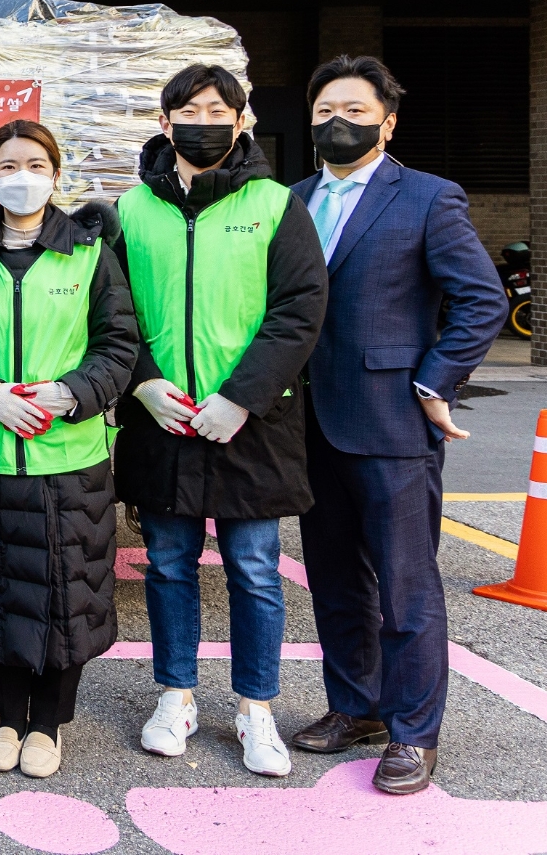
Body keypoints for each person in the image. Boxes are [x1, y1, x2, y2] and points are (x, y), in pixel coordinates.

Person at [290, 56, 505, 795]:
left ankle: (415, 731)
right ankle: (358, 707)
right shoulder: (291, 200)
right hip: (307, 422)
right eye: (323, 111)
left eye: (352, 108)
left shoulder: (427, 197)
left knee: (406, 584)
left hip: (392, 420)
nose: (336, 121)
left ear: (387, 120)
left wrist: (435, 379)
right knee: (335, 577)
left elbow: (480, 299)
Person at [112, 64, 328, 778]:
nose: (203, 120)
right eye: (188, 109)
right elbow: (110, 313)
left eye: (218, 109)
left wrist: (242, 396)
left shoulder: (274, 204)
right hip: (163, 418)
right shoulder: (131, 209)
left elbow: (299, 308)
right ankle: (176, 696)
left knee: (256, 569)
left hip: (250, 420)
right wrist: (142, 383)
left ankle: (255, 708)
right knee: (169, 564)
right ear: (164, 121)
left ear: (241, 123)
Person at [0, 120, 139, 780]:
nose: (20, 173)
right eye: (7, 164)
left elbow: (120, 345)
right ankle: (5, 716)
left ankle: (48, 724)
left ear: (55, 174)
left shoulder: (88, 253)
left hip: (70, 457)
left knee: (67, 596)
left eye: (34, 162)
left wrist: (70, 392)